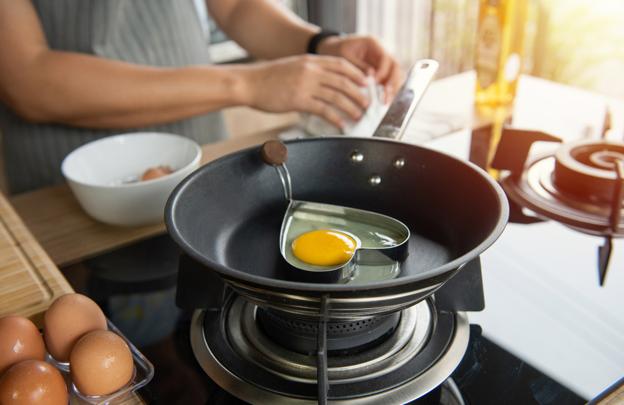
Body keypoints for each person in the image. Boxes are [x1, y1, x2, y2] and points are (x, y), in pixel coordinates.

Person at [0, 0, 401, 194]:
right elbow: (27, 79)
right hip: (71, 187)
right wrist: (246, 84)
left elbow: (236, 6)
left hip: (197, 149)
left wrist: (320, 43)